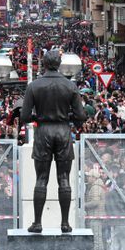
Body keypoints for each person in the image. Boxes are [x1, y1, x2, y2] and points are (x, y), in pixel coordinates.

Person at [20, 49, 87, 233]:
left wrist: (39, 116)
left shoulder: (34, 86)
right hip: (63, 131)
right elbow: (81, 116)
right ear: (59, 64)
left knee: (41, 178)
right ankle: (65, 223)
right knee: (64, 178)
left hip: (43, 131)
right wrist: (66, 116)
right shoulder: (70, 86)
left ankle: (37, 222)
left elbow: (25, 116)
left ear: (44, 63)